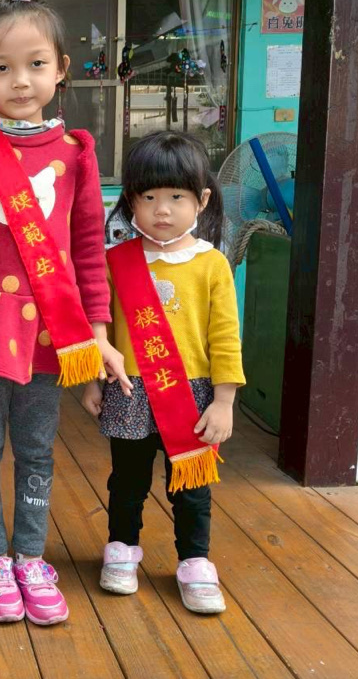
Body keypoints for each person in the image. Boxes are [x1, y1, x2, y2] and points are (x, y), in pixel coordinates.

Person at [0, 0, 130, 626]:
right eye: (1, 68)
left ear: (61, 69)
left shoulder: (75, 152)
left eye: (35, 64)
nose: (19, 81)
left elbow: (89, 250)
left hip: (50, 332)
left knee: (38, 449)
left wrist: (99, 335)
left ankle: (32, 558)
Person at [81, 130, 245, 615]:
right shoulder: (115, 262)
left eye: (176, 197)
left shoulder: (212, 264)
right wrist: (92, 379)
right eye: (149, 197)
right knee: (126, 481)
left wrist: (224, 401)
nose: (162, 210)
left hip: (192, 394)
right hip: (130, 389)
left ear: (203, 200)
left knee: (191, 487)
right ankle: (121, 550)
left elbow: (225, 338)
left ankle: (194, 562)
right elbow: (102, 327)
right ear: (131, 200)